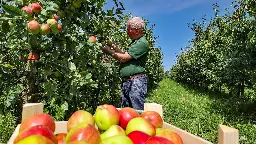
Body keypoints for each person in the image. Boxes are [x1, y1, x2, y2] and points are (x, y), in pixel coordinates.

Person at [101, 16, 149, 110]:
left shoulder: (142, 43)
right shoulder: (134, 43)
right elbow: (125, 54)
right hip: (128, 81)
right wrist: (113, 46)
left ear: (136, 30)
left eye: (128, 29)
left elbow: (124, 58)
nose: (127, 31)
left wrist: (108, 51)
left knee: (136, 111)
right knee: (126, 112)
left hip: (136, 82)